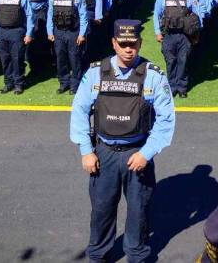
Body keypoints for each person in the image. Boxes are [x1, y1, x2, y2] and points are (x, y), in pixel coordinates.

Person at [69, 20, 175, 263]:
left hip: (137, 151)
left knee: (139, 211)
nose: (129, 49)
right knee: (102, 210)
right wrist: (86, 151)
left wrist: (146, 154)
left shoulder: (153, 75)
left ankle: (136, 255)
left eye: (133, 44)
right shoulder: (96, 72)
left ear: (140, 42)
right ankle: (98, 255)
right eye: (123, 44)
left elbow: (166, 120)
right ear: (114, 43)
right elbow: (79, 111)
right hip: (103, 153)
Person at [153, 0, 202, 98]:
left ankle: (182, 87)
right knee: (170, 61)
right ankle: (171, 86)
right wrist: (158, 33)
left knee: (183, 61)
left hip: (184, 35)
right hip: (168, 35)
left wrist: (196, 33)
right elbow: (156, 15)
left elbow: (198, 15)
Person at [47, 0, 88, 94]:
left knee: (74, 59)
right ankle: (63, 83)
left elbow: (83, 17)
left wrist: (82, 34)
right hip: (58, 32)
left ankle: (74, 85)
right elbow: (50, 16)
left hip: (73, 33)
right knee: (60, 59)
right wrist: (49, 32)